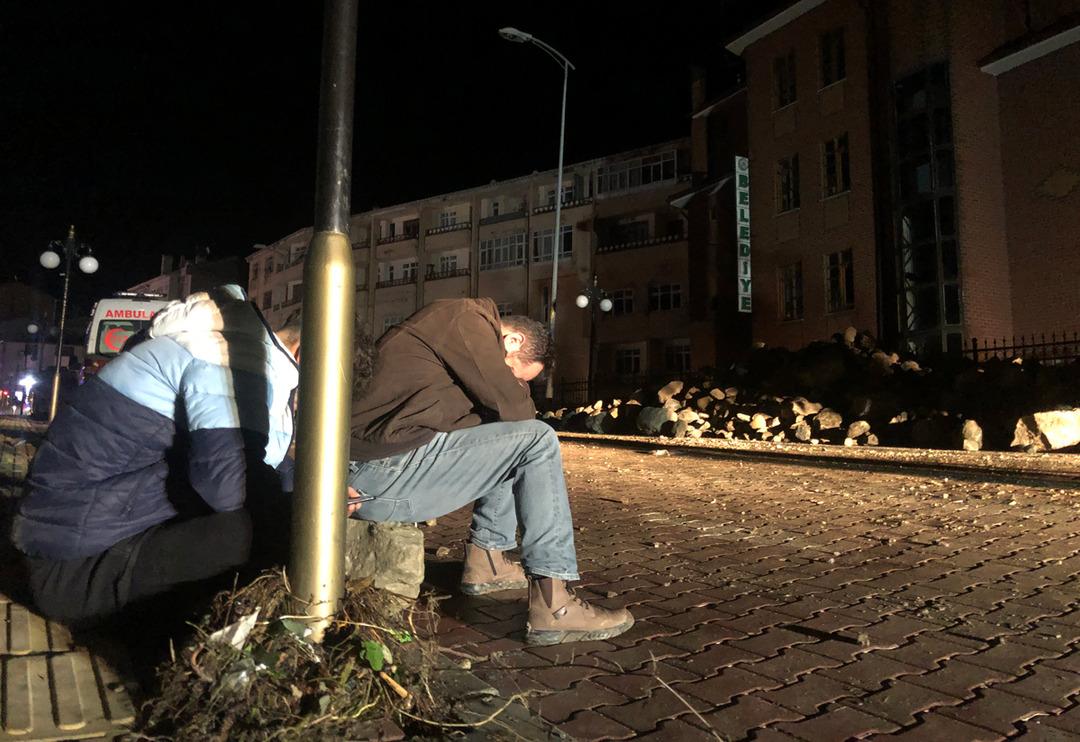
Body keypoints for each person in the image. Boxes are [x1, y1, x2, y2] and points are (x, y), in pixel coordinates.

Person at [349, 298, 634, 646]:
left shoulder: (453, 338)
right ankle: (554, 604)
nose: (516, 383)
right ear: (511, 341)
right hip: (374, 472)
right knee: (537, 439)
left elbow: (503, 418)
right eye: (516, 374)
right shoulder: (466, 318)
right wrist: (514, 393)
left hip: (380, 469)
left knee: (504, 435)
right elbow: (517, 409)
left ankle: (487, 560)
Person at [12, 285, 303, 625]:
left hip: (78, 547)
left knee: (270, 520)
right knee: (259, 532)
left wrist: (312, 489)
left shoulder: (228, 350)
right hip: (73, 570)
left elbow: (261, 461)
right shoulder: (223, 359)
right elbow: (228, 488)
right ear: (302, 356)